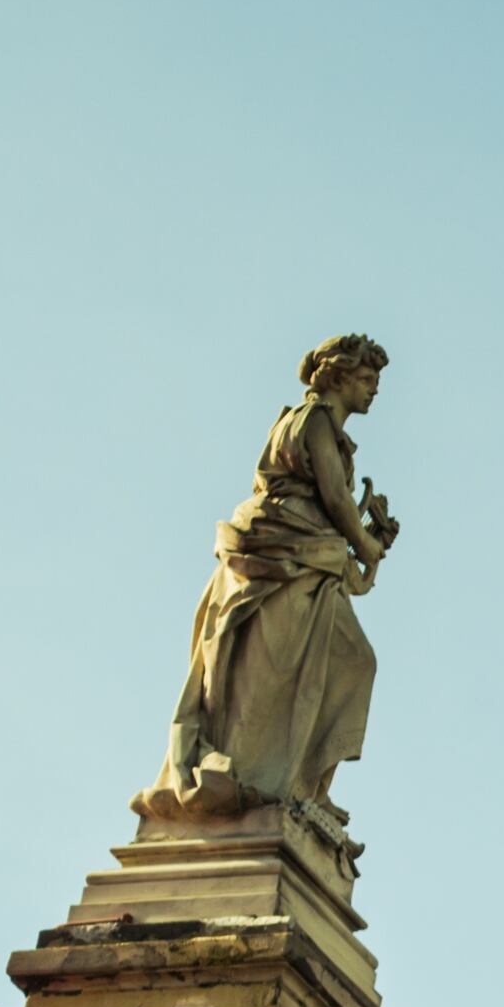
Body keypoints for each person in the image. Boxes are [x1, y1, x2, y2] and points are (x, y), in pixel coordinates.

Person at [152, 334, 400, 819]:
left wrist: (361, 546)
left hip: (308, 561)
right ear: (340, 378)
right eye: (367, 380)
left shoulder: (327, 429)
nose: (374, 390)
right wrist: (364, 541)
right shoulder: (312, 421)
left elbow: (335, 511)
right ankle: (268, 780)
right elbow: (332, 497)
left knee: (341, 665)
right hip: (280, 561)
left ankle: (303, 786)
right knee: (283, 674)